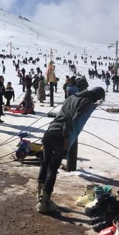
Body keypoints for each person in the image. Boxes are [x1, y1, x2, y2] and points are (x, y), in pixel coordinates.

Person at [36, 86, 106, 214]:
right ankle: (45, 203)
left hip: (49, 131)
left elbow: (63, 114)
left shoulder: (72, 97)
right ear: (96, 97)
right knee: (53, 168)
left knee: (45, 162)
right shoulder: (86, 101)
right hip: (61, 135)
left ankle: (40, 197)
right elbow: (74, 119)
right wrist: (66, 138)